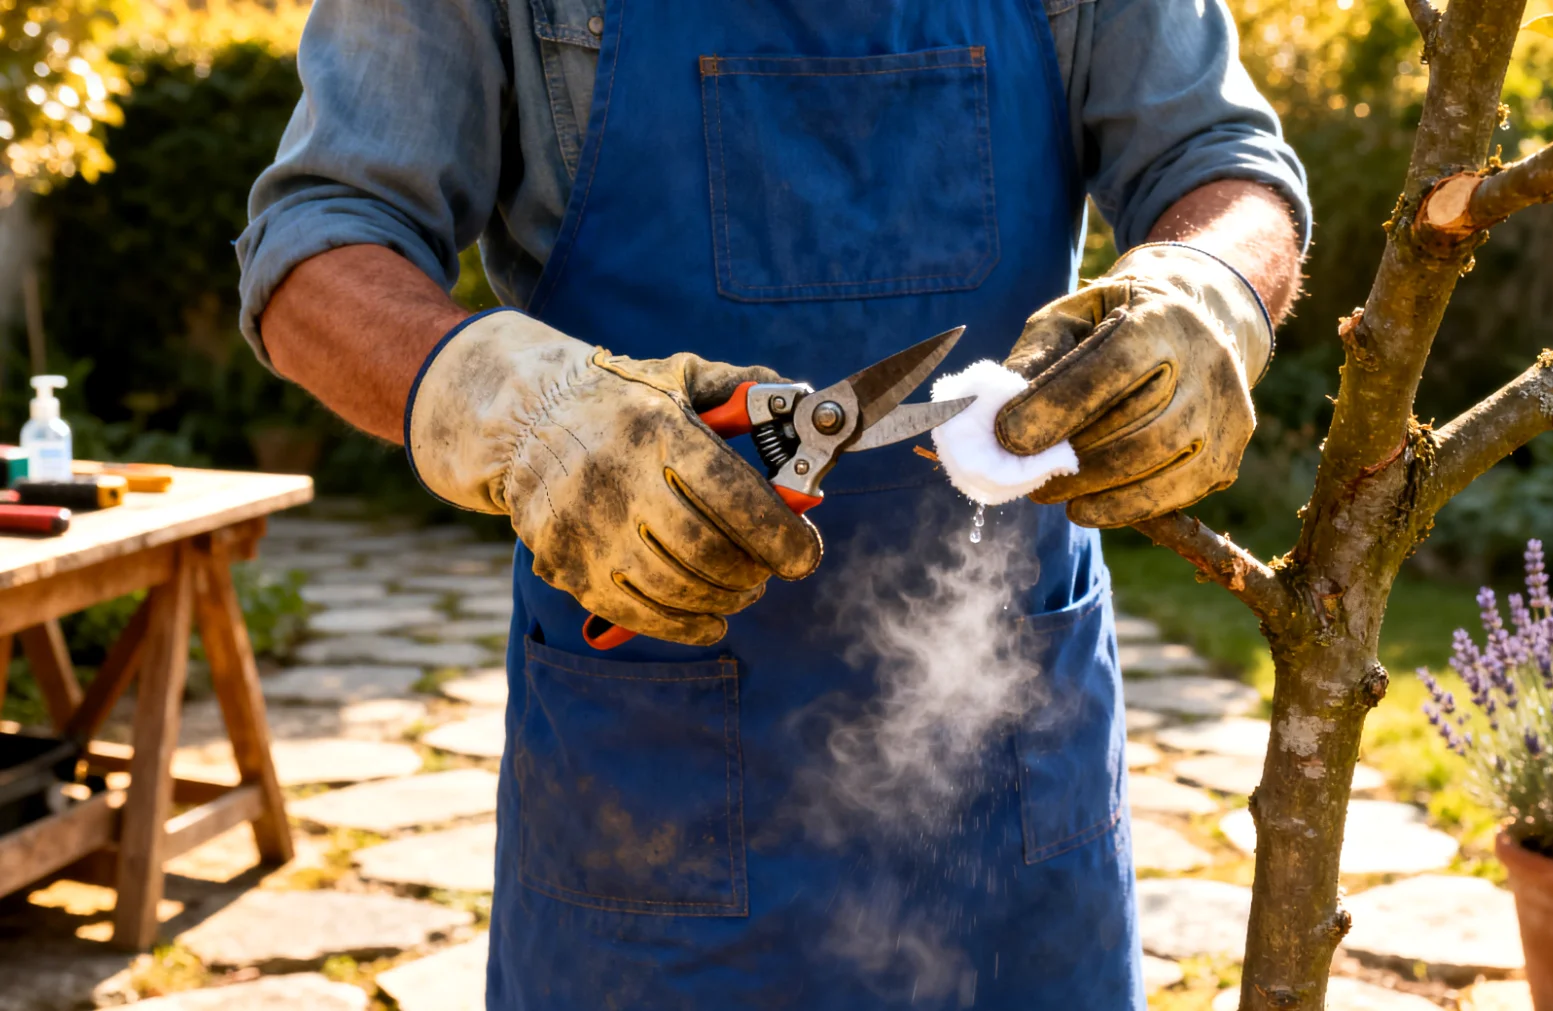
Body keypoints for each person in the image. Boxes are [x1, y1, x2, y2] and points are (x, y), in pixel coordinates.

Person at [238, 1, 1308, 1006]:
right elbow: (316, 245)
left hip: (1014, 771)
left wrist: (1207, 290)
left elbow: (1221, 163)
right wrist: (524, 413)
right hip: (646, 784)